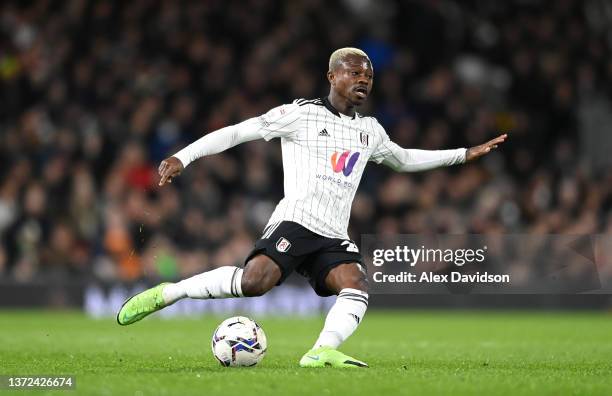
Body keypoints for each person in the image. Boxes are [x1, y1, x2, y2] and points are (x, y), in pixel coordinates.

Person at [116, 47, 506, 368]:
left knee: (355, 284)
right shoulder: (301, 114)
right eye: (354, 73)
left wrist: (463, 154)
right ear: (332, 76)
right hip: (296, 222)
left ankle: (321, 351)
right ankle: (172, 292)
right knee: (254, 283)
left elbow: (404, 159)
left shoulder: (370, 131)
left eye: (368, 76)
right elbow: (238, 131)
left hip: (333, 233)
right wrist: (185, 156)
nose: (363, 81)